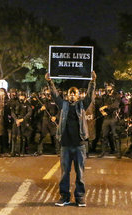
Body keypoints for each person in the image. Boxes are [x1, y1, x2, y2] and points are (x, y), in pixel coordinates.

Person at [46, 71, 96, 207]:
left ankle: (80, 197)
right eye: (70, 93)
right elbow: (55, 95)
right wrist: (50, 82)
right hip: (66, 145)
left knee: (80, 173)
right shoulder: (63, 105)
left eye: (75, 93)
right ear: (67, 96)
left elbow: (90, 96)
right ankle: (65, 197)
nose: (72, 95)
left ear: (78, 95)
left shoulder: (82, 105)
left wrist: (92, 82)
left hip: (79, 145)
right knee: (64, 173)